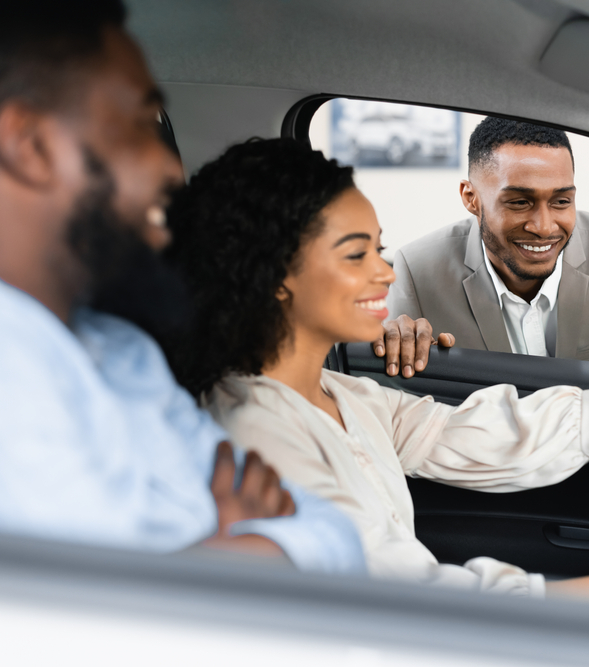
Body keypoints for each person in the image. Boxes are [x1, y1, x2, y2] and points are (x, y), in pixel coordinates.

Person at [163, 137, 589, 609]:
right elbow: (405, 607)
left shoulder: (348, 396)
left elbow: (508, 433)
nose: (385, 273)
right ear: (273, 277)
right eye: (356, 255)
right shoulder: (256, 436)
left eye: (378, 249)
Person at [0, 1, 364, 574]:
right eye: (138, 126)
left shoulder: (124, 354)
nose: (171, 169)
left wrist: (218, 559)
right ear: (31, 145)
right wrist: (234, 554)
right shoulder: (14, 370)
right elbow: (89, 626)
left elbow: (338, 540)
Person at [378, 117, 589, 386]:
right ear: (471, 198)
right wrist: (393, 344)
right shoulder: (418, 270)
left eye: (561, 201)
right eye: (520, 202)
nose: (544, 226)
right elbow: (392, 396)